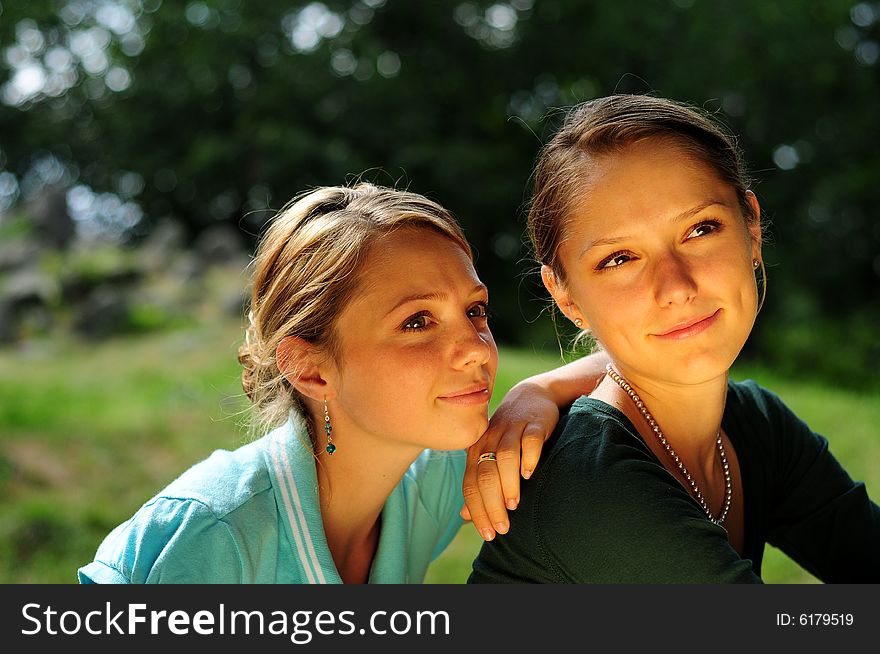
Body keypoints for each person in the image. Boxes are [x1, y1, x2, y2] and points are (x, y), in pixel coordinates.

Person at [77, 182, 586, 584]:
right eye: (416, 322)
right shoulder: (206, 540)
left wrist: (537, 391)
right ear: (311, 369)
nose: (477, 348)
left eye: (475, 311)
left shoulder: (433, 478)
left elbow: (641, 361)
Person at [469, 94, 880, 583]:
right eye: (618, 259)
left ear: (751, 226)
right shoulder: (592, 486)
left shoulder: (755, 426)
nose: (677, 288)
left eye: (700, 229)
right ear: (565, 296)